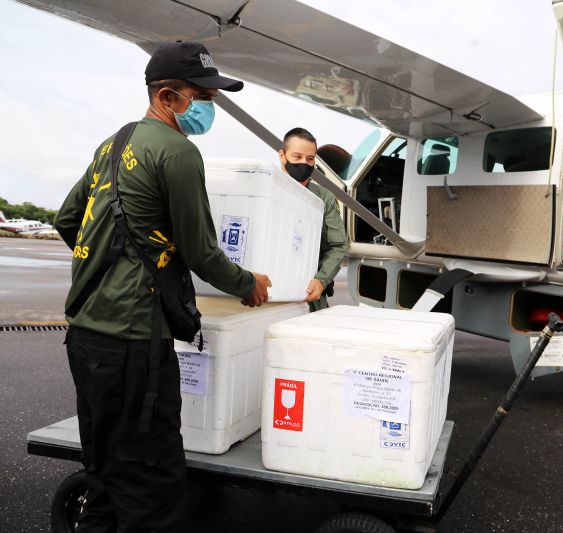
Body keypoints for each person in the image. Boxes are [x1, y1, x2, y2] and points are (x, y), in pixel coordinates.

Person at [54, 41, 271, 531]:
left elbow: (70, 219)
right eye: (203, 97)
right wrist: (248, 284)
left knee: (105, 473)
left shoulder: (113, 143)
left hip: (86, 336)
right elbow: (201, 252)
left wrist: (110, 266)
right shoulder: (178, 152)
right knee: (152, 486)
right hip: (134, 345)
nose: (209, 107)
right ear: (169, 97)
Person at [278, 128, 347, 311]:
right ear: (282, 156)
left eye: (310, 159)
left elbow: (338, 245)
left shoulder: (324, 198)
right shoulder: (267, 188)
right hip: (268, 292)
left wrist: (321, 279)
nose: (304, 163)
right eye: (297, 156)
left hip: (308, 296)